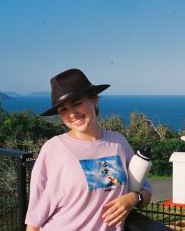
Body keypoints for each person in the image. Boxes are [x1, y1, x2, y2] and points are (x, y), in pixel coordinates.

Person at [25, 68, 153, 231]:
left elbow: (146, 190)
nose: (72, 114)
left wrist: (132, 198)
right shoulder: (54, 149)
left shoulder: (118, 143)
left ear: (93, 100)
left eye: (77, 103)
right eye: (63, 110)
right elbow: (35, 218)